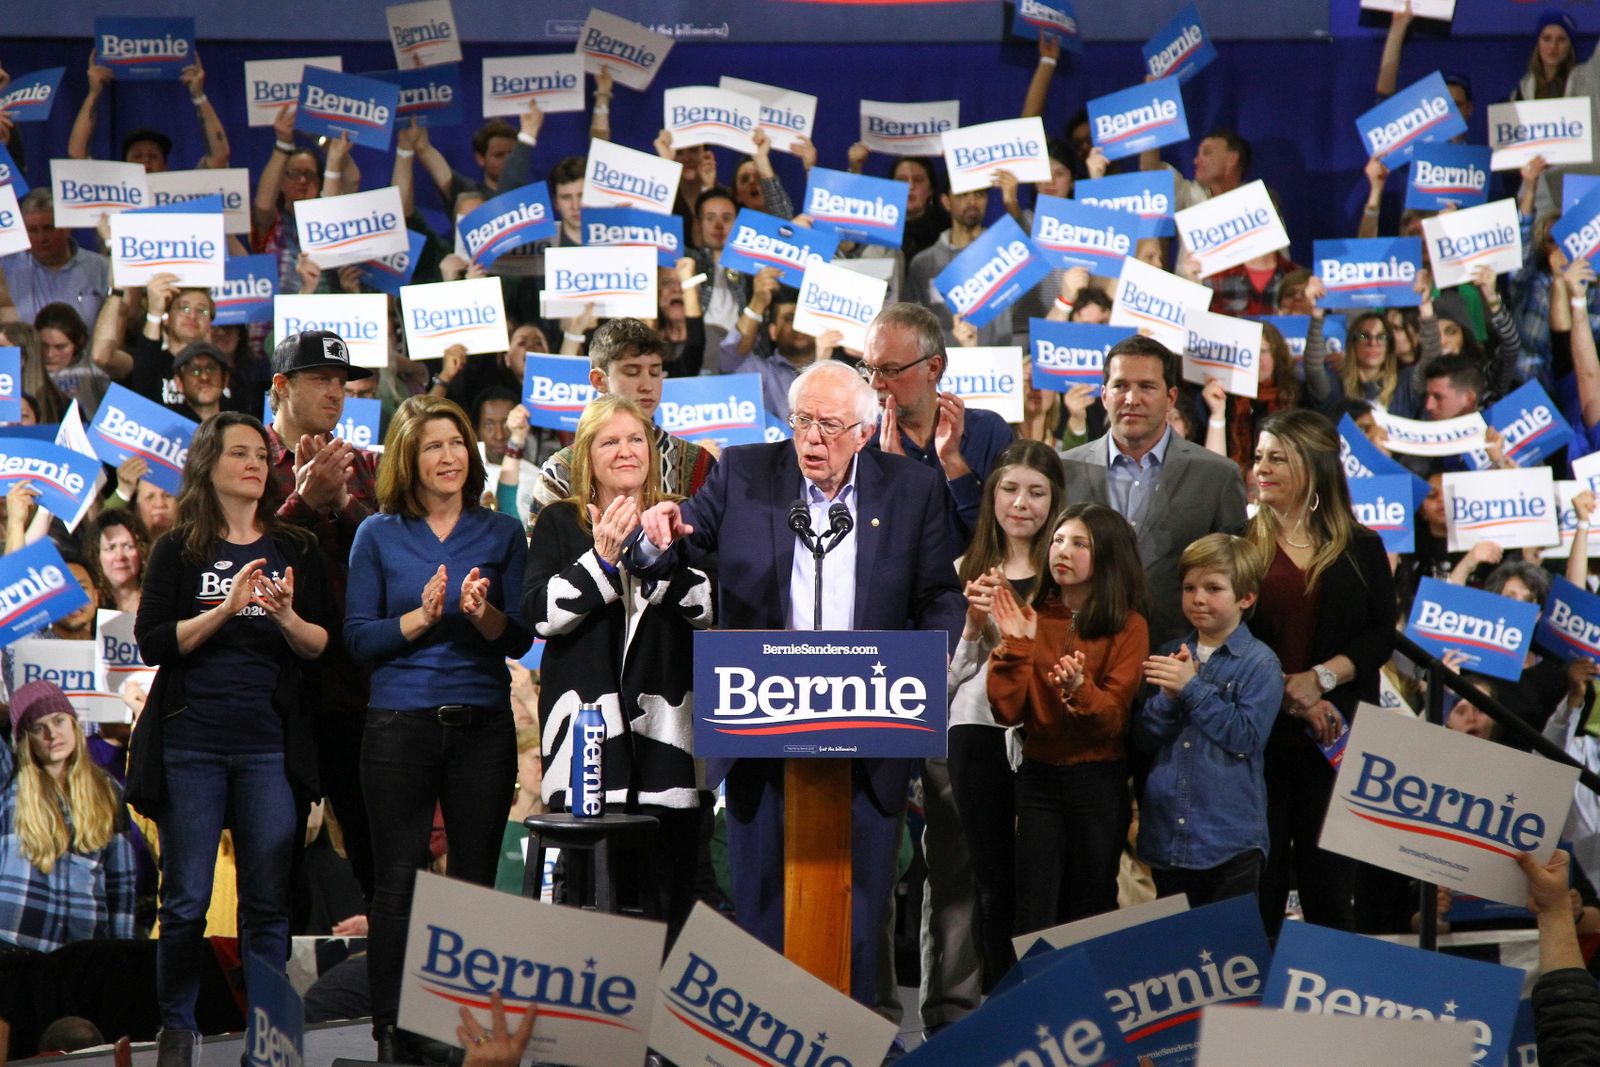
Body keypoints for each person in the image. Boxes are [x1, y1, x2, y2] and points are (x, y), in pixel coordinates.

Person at [626, 359, 964, 1006]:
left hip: (873, 722)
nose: (812, 438)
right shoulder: (747, 472)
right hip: (761, 722)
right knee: (759, 900)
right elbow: (676, 545)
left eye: (830, 425)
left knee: (863, 906)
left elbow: (939, 595)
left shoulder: (912, 489)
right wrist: (653, 538)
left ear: (865, 432)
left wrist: (934, 657)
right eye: (802, 420)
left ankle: (857, 1038)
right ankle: (761, 1035)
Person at [131, 412, 331, 1062]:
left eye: (258, 453)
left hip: (269, 745)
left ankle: (268, 1041)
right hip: (192, 743)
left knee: (268, 902)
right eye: (237, 452)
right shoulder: (178, 548)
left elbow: (321, 644)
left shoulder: (294, 545)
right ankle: (178, 1031)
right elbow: (155, 640)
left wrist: (282, 614)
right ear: (208, 465)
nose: (253, 462)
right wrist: (224, 607)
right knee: (186, 900)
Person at [344, 395, 531, 1063]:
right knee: (397, 881)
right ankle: (394, 1031)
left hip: (482, 724)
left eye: (457, 442)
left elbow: (520, 632)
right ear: (407, 459)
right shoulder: (378, 534)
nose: (450, 455)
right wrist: (422, 618)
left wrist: (481, 615)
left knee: (475, 879)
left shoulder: (502, 532)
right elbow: (359, 638)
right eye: (434, 446)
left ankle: (472, 1030)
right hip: (399, 726)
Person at [524, 395, 712, 937]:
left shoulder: (683, 516)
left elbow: (713, 605)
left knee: (668, 885)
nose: (625, 451)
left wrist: (658, 561)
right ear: (587, 456)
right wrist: (600, 561)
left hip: (670, 736)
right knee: (587, 892)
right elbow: (539, 614)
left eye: (636, 440)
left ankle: (664, 1011)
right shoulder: (561, 521)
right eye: (610, 441)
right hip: (586, 739)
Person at [1246, 409, 1397, 938]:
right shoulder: (1240, 543)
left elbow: (1381, 634)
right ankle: (1253, 1015)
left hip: (1337, 739)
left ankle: (1339, 1007)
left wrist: (1322, 679)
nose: (1260, 467)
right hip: (1258, 738)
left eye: (1276, 458)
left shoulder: (1362, 547)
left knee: (1330, 890)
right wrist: (1294, 694)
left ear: (1312, 467)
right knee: (1259, 888)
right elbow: (1229, 635)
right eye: (1259, 456)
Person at [987, 503, 1149, 933]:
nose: (1063, 550)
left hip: (1098, 781)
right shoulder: (1032, 616)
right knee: (1033, 910)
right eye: (1058, 539)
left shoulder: (1129, 626)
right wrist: (1016, 648)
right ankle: (1032, 999)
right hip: (1037, 778)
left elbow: (1113, 718)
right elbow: (1006, 710)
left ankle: (1083, 1001)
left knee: (1090, 907)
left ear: (1108, 557)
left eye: (1080, 544)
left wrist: (1080, 689)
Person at [942, 440, 1065, 996]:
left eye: (1037, 493)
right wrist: (972, 626)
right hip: (976, 735)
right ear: (991, 496)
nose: (1022, 504)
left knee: (1043, 884)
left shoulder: (1069, 571)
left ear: (1055, 500)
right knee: (992, 883)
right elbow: (939, 683)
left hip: (1049, 733)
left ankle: (1049, 1003)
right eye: (1010, 489)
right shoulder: (961, 570)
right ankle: (1000, 1007)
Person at [264, 330, 381, 907]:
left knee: (377, 860)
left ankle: (386, 995)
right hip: (277, 691)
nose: (337, 392)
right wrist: (304, 501)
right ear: (281, 386)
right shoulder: (245, 458)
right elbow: (247, 559)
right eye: (320, 379)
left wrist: (341, 503)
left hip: (357, 689)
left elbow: (394, 558)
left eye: (342, 381)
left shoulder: (366, 466)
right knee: (275, 867)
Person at [1060, 335, 1248, 647]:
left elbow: (1238, 578)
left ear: (1171, 397)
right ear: (1104, 394)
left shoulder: (1218, 476)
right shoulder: (1063, 469)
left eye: (1146, 387)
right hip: (1078, 655)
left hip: (1178, 659)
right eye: (1120, 386)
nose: (1132, 399)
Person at [1135, 534, 1281, 906]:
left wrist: (1191, 688)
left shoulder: (1260, 662)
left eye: (1213, 588)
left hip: (1229, 840)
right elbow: (1145, 736)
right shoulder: (1170, 652)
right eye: (1189, 588)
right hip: (1168, 835)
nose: (1198, 598)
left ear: (1246, 597)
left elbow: (1245, 737)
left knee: (1229, 955)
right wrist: (1168, 698)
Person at [529, 319, 715, 523]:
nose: (647, 385)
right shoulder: (559, 472)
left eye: (655, 372)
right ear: (599, 380)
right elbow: (541, 551)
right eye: (632, 372)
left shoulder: (698, 463)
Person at [0, 680, 136, 953]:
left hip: (83, 952)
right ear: (26, 740)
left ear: (73, 723)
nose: (52, 734)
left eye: (59, 721)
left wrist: (122, 953)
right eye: (38, 728)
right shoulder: (9, 779)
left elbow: (121, 885)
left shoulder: (108, 790)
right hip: (14, 945)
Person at [863, 303, 1014, 545]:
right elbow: (880, 551)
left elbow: (1004, 540)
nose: (874, 383)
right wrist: (899, 476)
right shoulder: (863, 447)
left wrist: (954, 463)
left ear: (933, 367)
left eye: (889, 370)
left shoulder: (988, 433)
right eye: (869, 369)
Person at [906, 186, 1014, 346]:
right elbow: (913, 328)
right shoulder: (923, 264)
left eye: (979, 194)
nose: (972, 202)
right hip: (944, 366)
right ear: (946, 201)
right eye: (963, 195)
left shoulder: (1008, 254)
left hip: (999, 365)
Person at [0, 189, 111, 326]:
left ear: (67, 228)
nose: (41, 238)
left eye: (48, 228)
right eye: (33, 230)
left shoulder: (100, 267)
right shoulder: (6, 267)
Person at [87, 509, 148, 614]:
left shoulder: (158, 599)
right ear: (97, 556)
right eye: (110, 548)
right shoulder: (88, 605)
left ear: (141, 551)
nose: (120, 556)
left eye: (128, 547)